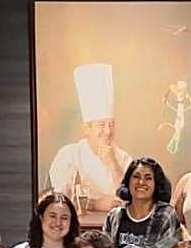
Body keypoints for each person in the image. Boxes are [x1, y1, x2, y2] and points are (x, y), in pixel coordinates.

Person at [48, 62, 131, 225]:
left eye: (111, 124)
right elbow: (60, 200)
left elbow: (131, 199)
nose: (108, 131)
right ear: (86, 128)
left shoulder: (123, 157)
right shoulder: (68, 155)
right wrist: (95, 204)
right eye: (101, 124)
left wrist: (112, 163)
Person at [103, 156, 182, 248]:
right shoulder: (114, 216)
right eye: (136, 177)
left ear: (156, 184)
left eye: (148, 178)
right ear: (128, 181)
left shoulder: (166, 214)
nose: (141, 182)